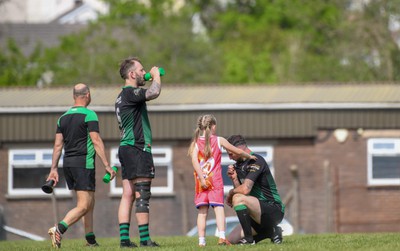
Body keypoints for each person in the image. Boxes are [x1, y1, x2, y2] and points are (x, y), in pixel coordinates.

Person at [47, 83, 116, 248]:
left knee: (90, 202)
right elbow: (96, 140)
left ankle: (90, 239)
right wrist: (107, 164)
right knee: (84, 205)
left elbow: (57, 146)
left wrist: (53, 169)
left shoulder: (62, 118)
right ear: (88, 95)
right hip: (83, 163)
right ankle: (59, 229)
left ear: (73, 96)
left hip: (68, 164)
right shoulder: (89, 115)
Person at [188, 114, 257, 247]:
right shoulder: (219, 140)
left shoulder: (195, 143)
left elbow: (195, 162)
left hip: (201, 183)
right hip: (215, 182)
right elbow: (235, 149)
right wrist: (248, 156)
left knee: (202, 212)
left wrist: (202, 179)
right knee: (219, 209)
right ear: (213, 126)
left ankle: (201, 242)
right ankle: (221, 238)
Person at [115, 56, 162, 248]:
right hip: (137, 147)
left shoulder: (121, 96)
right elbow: (153, 92)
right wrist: (157, 76)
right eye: (141, 70)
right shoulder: (130, 92)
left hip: (126, 148)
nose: (145, 73)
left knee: (128, 193)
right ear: (132, 74)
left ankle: (125, 240)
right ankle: (145, 240)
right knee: (143, 193)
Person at [225, 135, 285, 245]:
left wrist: (230, 193)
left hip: (273, 209)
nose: (229, 157)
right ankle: (272, 232)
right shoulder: (238, 165)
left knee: (238, 197)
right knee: (231, 240)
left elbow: (245, 190)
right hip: (256, 213)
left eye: (230, 153)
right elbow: (241, 192)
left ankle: (249, 240)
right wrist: (234, 178)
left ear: (238, 149)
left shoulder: (256, 161)